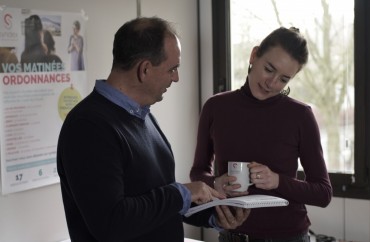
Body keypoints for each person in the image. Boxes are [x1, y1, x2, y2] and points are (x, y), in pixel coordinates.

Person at [57, 17, 249, 242]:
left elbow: (156, 204)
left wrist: (213, 216)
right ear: (145, 69)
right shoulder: (88, 127)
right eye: (172, 69)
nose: (176, 78)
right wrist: (182, 193)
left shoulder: (143, 117)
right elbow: (111, 223)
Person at [190, 27, 333, 242]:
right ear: (254, 55)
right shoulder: (215, 107)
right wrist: (216, 183)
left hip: (288, 237)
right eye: (269, 69)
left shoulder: (300, 115)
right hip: (232, 235)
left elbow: (323, 193)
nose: (272, 83)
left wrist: (277, 181)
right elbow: (198, 172)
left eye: (284, 79)